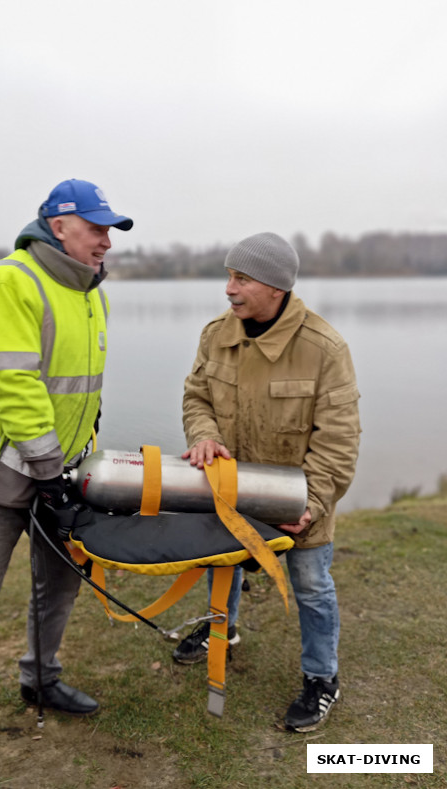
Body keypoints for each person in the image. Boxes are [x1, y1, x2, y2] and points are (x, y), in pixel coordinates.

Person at [0, 179, 133, 778]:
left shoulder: (92, 295)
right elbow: (12, 384)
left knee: (58, 589)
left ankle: (40, 680)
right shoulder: (7, 283)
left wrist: (75, 466)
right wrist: (48, 470)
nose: (106, 241)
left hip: (59, 474)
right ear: (58, 227)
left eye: (110, 230)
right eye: (96, 228)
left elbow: (79, 393)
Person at [172, 232, 360, 733]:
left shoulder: (325, 348)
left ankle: (322, 677)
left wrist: (312, 502)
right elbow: (197, 397)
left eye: (242, 278)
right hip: (231, 492)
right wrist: (205, 436)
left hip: (299, 502)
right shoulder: (216, 334)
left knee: (312, 586)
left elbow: (339, 439)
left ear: (276, 287)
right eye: (228, 276)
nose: (228, 289)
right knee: (222, 567)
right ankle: (222, 632)